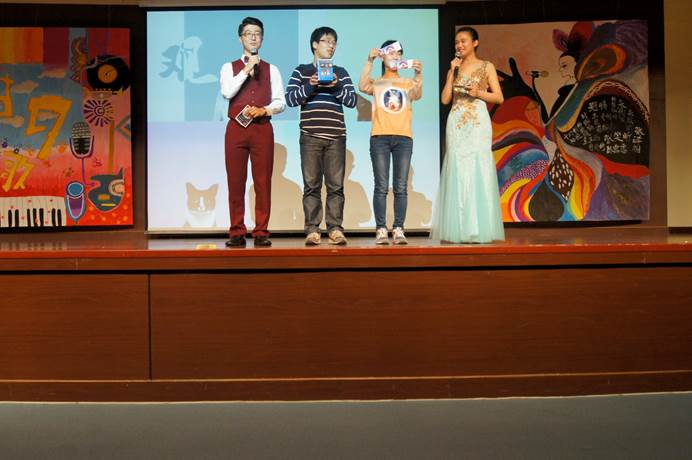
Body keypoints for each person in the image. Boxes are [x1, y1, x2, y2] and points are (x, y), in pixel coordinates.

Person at [431, 26, 505, 244]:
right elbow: (445, 99)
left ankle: (478, 228)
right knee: (458, 169)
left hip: (477, 122)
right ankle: (460, 228)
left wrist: (478, 93)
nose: (459, 45)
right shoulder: (453, 69)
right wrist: (451, 73)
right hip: (456, 121)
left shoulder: (486, 66)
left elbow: (499, 97)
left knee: (477, 167)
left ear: (475, 43)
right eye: (457, 42)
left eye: (463, 41)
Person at [285, 26, 357, 246]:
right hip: (310, 136)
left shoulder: (341, 72)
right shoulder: (302, 71)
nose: (331, 46)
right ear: (315, 44)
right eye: (326, 41)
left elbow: (352, 101)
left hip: (336, 136)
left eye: (334, 42)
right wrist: (311, 84)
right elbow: (290, 99)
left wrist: (336, 86)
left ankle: (335, 228)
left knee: (336, 187)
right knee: (312, 186)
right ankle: (313, 229)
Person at [220, 17, 286, 247]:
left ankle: (261, 232)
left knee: (262, 182)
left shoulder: (272, 69)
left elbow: (280, 102)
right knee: (235, 181)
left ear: (262, 38)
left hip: (262, 128)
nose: (253, 37)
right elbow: (227, 92)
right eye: (248, 33)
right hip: (236, 129)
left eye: (257, 33)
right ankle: (237, 231)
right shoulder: (228, 67)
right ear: (241, 39)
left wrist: (265, 110)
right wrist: (246, 69)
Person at [358, 40, 422, 245]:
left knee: (401, 186)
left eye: (399, 53)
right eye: (391, 52)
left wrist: (418, 74)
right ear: (383, 56)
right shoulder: (377, 83)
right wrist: (369, 61)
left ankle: (399, 228)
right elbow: (362, 86)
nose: (395, 56)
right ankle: (381, 229)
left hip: (403, 137)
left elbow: (417, 94)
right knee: (381, 186)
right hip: (380, 137)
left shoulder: (407, 82)